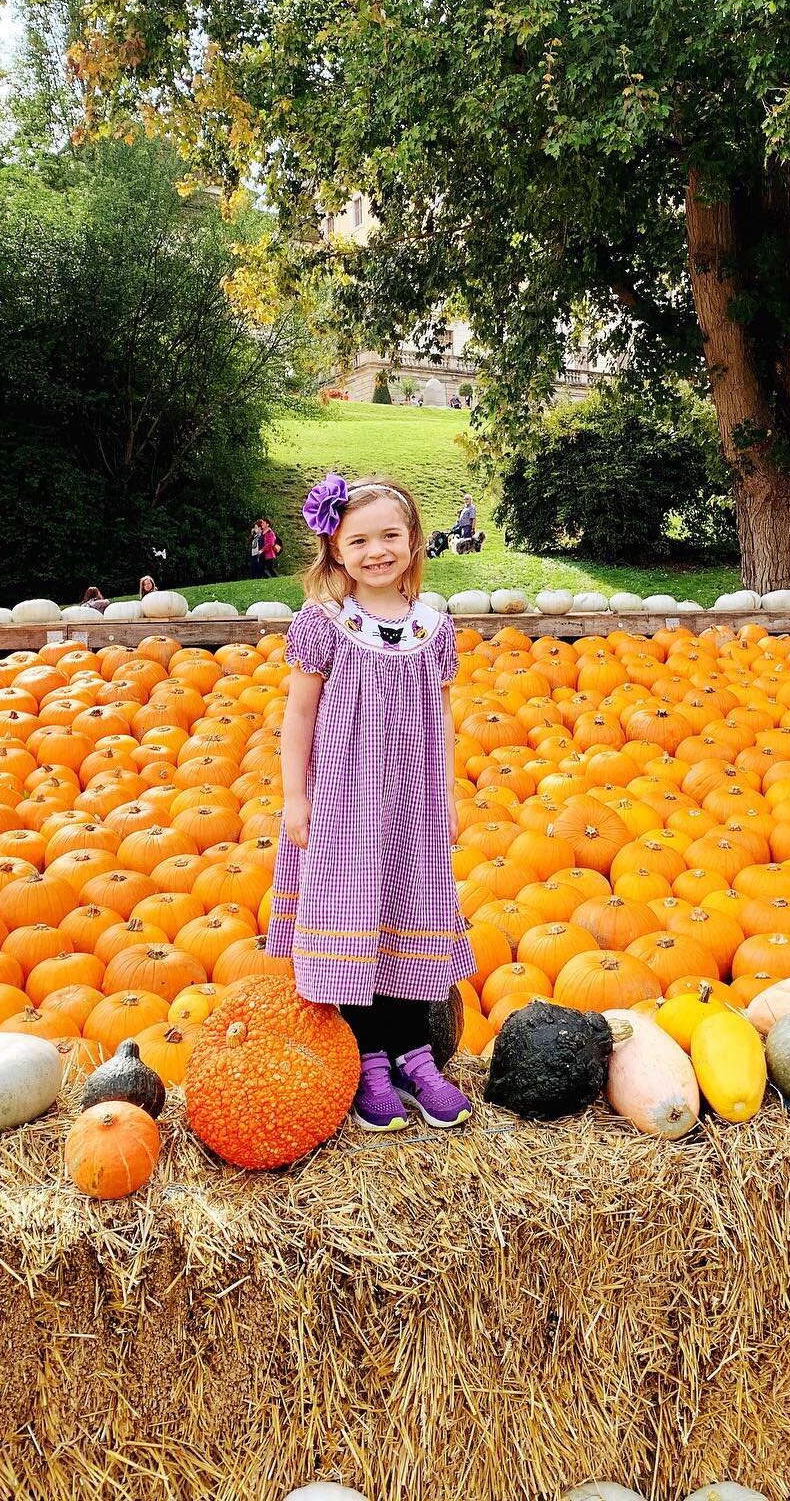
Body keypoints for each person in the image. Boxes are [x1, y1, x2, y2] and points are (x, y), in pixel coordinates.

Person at [269, 470, 474, 1132]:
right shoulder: (325, 623)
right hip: (343, 801)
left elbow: (442, 717)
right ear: (335, 550)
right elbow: (299, 716)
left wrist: (447, 793)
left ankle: (416, 1054)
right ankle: (368, 1061)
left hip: (411, 805)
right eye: (360, 539)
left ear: (414, 542)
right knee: (354, 916)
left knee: (406, 914)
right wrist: (295, 797)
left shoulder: (433, 626)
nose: (377, 550)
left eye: (391, 535)